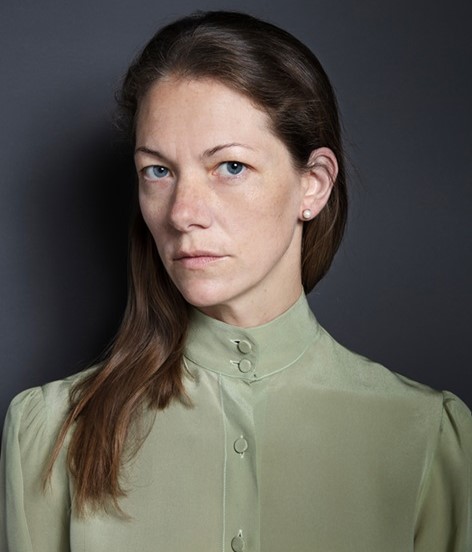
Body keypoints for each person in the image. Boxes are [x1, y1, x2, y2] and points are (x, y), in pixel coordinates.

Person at [0, 10, 470, 552]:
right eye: (158, 171)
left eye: (230, 167)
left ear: (313, 185)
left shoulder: (427, 438)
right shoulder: (50, 434)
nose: (183, 213)